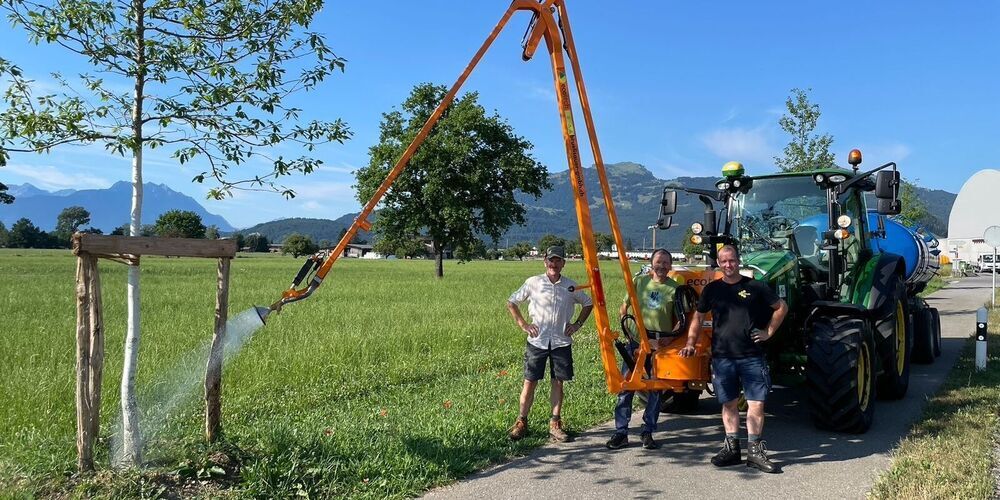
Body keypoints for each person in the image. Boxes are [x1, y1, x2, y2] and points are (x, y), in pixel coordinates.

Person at [679, 245, 788, 473]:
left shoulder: (756, 287)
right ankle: (731, 448)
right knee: (728, 404)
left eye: (732, 261)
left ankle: (755, 452)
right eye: (724, 261)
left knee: (756, 403)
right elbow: (698, 318)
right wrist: (690, 343)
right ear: (719, 263)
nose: (728, 265)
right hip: (723, 357)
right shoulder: (712, 290)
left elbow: (781, 307)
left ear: (739, 261)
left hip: (751, 357)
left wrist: (768, 332)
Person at [506, 245, 594, 442]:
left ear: (564, 263)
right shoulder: (533, 282)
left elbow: (588, 303)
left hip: (561, 343)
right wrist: (523, 324)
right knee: (530, 382)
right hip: (537, 341)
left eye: (558, 260)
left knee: (558, 382)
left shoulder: (570, 286)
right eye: (551, 260)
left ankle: (555, 423)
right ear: (545, 261)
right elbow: (512, 302)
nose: (554, 264)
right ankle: (521, 422)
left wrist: (577, 324)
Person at [607, 248, 679, 450]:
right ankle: (621, 432)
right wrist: (627, 328)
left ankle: (648, 432)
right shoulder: (640, 282)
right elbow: (624, 307)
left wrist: (668, 338)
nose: (662, 266)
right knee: (626, 387)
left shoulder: (675, 288)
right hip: (636, 343)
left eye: (666, 263)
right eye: (659, 262)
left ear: (670, 266)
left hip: (658, 346)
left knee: (655, 390)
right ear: (652, 263)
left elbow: (684, 319)